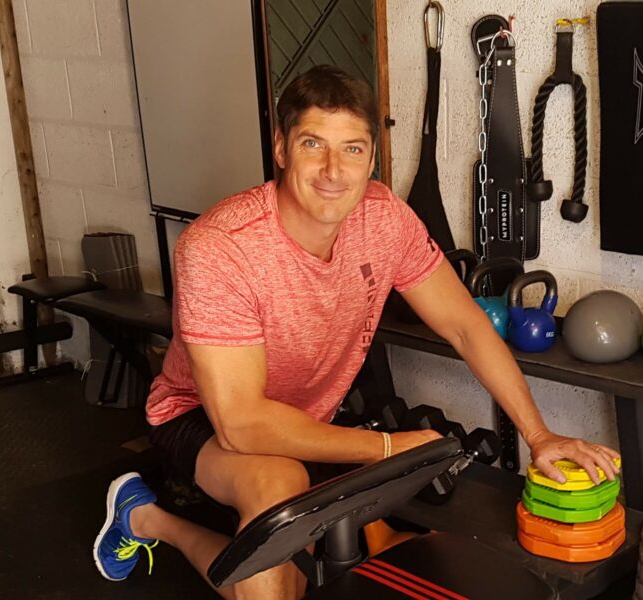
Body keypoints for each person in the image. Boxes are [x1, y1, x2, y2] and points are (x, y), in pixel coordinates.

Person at [92, 65, 621, 599]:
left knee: (319, 566)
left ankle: (166, 522)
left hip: (309, 415)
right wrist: (385, 446)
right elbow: (243, 426)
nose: (332, 170)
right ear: (281, 149)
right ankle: (149, 521)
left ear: (371, 157)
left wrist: (539, 435)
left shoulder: (383, 217)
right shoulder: (219, 248)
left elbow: (464, 325)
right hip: (201, 414)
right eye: (312, 144)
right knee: (280, 493)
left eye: (351, 149)